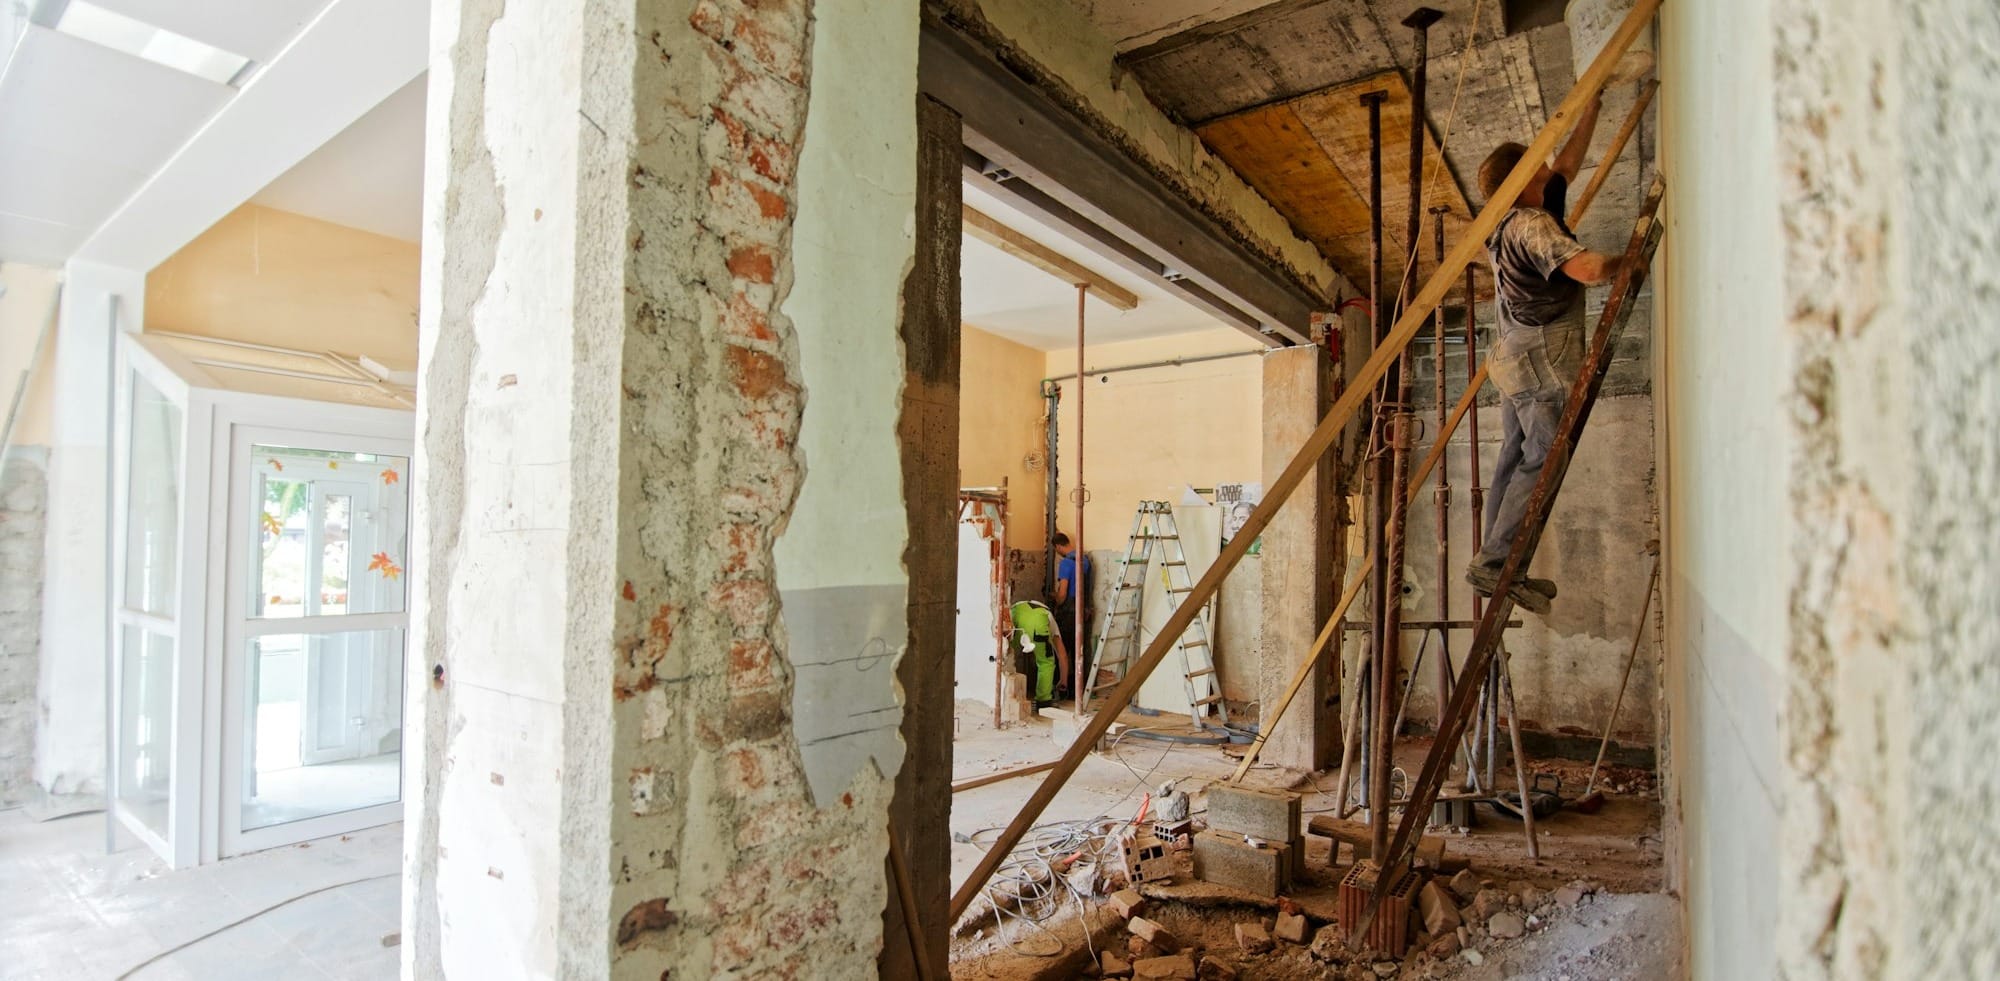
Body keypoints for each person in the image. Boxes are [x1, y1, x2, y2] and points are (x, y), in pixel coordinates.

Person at [1467, 96, 1622, 615]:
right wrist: (1634, 255)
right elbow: (1591, 271)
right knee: (1541, 459)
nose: (1546, 165)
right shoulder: (1530, 226)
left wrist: (1592, 105)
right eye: (1536, 162)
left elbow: (1567, 166)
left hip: (1513, 354)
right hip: (1538, 355)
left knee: (1514, 456)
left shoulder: (1521, 212)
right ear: (1522, 178)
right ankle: (1494, 565)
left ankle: (1494, 563)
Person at [1050, 532, 1091, 697]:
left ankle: (1064, 687)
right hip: (1084, 611)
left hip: (1069, 613)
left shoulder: (1066, 564)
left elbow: (1062, 595)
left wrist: (1054, 596)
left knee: (1063, 651)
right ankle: (1080, 689)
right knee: (1079, 650)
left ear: (1058, 546)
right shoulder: (1086, 561)